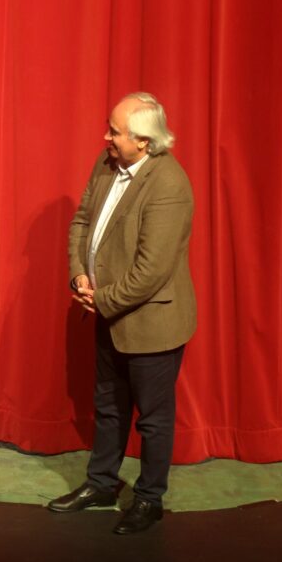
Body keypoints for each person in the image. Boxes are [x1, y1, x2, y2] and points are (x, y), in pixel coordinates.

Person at [48, 92, 196, 534]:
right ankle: (101, 484)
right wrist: (79, 275)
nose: (106, 137)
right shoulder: (107, 162)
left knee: (152, 418)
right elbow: (82, 221)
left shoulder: (169, 186)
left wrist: (102, 300)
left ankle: (149, 499)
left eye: (115, 132)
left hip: (151, 322)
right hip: (108, 313)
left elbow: (152, 271)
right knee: (109, 407)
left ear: (144, 142)